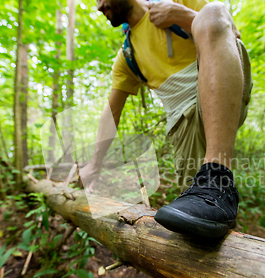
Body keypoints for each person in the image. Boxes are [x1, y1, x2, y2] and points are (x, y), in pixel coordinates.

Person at [80, 0, 253, 239]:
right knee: (201, 220)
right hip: (183, 126)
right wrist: (94, 164)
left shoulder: (177, 2)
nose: (99, 7)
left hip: (223, 92)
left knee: (213, 11)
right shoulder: (127, 56)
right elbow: (112, 113)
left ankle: (217, 174)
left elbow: (228, 31)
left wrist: (182, 16)